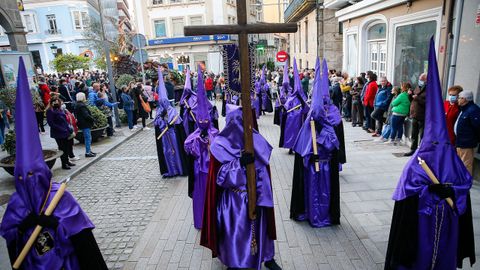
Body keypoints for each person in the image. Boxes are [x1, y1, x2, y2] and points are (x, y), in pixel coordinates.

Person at [0, 58, 108, 270]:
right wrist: (23, 227)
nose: (28, 182)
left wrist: (57, 224)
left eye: (32, 175)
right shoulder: (16, 205)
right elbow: (12, 242)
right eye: (22, 177)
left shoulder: (60, 197)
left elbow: (84, 243)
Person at [385, 39, 475, 270]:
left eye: (441, 143)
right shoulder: (418, 161)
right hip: (420, 225)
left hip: (448, 224)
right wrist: (427, 190)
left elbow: (464, 185)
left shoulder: (452, 159)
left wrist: (451, 190)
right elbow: (405, 194)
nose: (438, 147)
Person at [201, 104, 281, 270]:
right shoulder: (220, 146)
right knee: (235, 233)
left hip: (255, 196)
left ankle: (267, 257)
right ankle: (234, 261)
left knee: (260, 230)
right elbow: (220, 178)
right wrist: (239, 164)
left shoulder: (255, 142)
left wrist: (262, 199)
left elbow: (264, 173)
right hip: (233, 201)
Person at [290, 58, 345, 227]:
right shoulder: (310, 121)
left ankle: (326, 214)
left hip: (326, 165)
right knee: (311, 191)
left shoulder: (334, 117)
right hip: (312, 167)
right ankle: (308, 212)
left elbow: (336, 143)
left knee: (325, 192)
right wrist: (308, 156)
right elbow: (302, 146)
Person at [184, 68, 219, 229]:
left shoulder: (215, 133)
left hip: (213, 173)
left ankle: (215, 220)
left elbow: (220, 150)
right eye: (201, 119)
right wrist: (200, 142)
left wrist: (210, 143)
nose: (204, 121)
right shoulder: (193, 137)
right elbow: (189, 149)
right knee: (201, 197)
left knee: (214, 197)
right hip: (200, 173)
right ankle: (201, 220)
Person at [154, 68, 189, 178]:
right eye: (161, 102)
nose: (163, 103)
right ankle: (169, 170)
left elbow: (178, 122)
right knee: (166, 153)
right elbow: (157, 124)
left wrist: (170, 124)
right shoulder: (159, 111)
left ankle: (179, 169)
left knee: (176, 152)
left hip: (173, 136)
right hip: (164, 137)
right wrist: (161, 121)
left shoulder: (172, 111)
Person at [281, 58, 309, 151]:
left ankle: (295, 147)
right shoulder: (291, 98)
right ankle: (291, 147)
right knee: (292, 133)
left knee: (297, 134)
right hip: (292, 120)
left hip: (299, 120)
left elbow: (306, 109)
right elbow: (285, 108)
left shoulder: (301, 98)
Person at [455, 91, 480, 175]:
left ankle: (466, 183)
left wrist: (473, 140)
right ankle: (460, 181)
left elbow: (477, 127)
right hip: (460, 142)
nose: (457, 99)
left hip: (467, 143)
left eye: (459, 97)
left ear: (464, 99)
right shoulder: (464, 109)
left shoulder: (473, 110)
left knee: (466, 164)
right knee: (460, 163)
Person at [46, 97, 75, 170]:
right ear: (51, 102)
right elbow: (51, 123)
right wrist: (62, 129)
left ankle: (67, 161)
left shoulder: (59, 109)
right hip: (58, 133)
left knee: (67, 147)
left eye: (57, 101)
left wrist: (68, 128)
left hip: (65, 131)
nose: (56, 103)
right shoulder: (50, 111)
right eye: (54, 101)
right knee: (62, 148)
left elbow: (65, 120)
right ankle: (64, 163)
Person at [404, 73, 427, 157]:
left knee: (422, 135)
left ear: (426, 80)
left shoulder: (429, 89)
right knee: (414, 134)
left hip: (422, 116)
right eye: (419, 79)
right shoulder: (418, 87)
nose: (419, 80)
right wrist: (410, 95)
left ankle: (421, 151)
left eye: (421, 79)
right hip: (414, 114)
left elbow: (427, 103)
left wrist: (417, 98)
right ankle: (412, 150)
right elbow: (412, 100)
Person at [75, 92, 96, 158]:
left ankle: (89, 150)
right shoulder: (82, 106)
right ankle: (88, 152)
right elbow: (86, 115)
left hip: (82, 123)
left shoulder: (77, 104)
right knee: (88, 138)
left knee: (88, 137)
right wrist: (92, 119)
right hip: (85, 123)